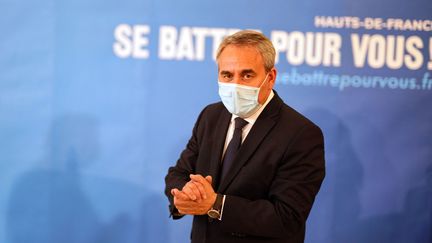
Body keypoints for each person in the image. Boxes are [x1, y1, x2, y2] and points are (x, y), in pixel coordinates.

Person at [164, 30, 325, 243]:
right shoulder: (210, 115)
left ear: (271, 77)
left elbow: (287, 218)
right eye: (227, 75)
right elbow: (179, 173)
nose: (235, 85)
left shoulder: (301, 134)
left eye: (247, 75)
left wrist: (216, 204)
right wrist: (185, 193)